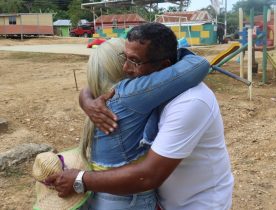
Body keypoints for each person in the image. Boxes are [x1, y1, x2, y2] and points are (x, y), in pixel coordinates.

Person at [47, 23, 234, 210]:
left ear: (165, 67)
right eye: (124, 58)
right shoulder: (148, 87)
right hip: (164, 199)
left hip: (198, 203)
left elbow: (149, 175)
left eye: (134, 61)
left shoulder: (191, 102)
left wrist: (80, 179)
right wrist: (86, 100)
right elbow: (105, 83)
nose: (126, 68)